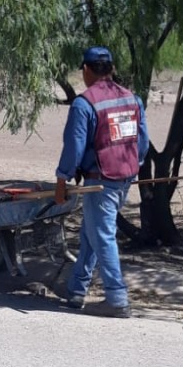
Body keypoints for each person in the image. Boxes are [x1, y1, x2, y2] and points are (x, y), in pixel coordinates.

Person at [54, 46, 149, 318]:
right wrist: (131, 169)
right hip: (124, 180)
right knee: (91, 232)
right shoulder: (132, 99)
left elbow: (73, 146)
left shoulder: (85, 104)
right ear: (112, 69)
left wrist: (62, 179)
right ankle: (76, 289)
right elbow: (141, 144)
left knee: (102, 235)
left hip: (100, 182)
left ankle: (117, 299)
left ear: (86, 70)